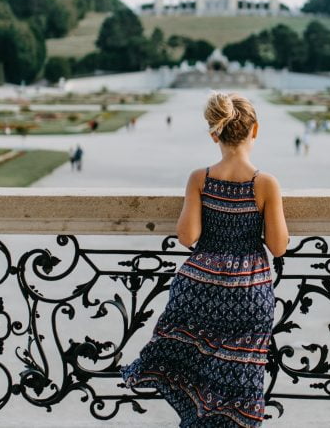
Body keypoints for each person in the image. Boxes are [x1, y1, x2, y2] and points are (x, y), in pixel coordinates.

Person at [121, 92, 288, 427]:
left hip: (200, 289)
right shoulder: (265, 183)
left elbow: (187, 237)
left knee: (196, 370)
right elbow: (278, 246)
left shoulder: (200, 178)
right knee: (237, 381)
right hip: (247, 292)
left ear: (215, 133)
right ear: (255, 130)